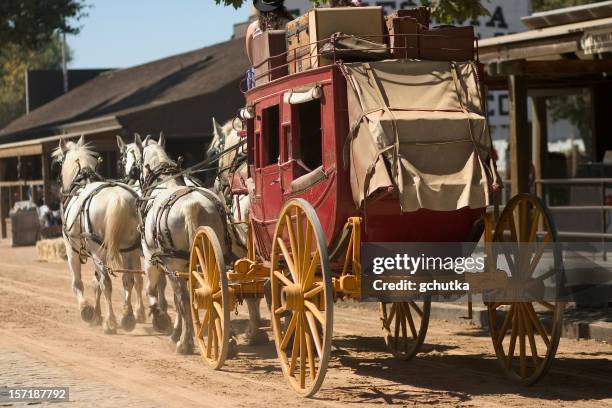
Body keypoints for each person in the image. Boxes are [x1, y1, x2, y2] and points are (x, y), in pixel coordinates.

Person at [245, 0, 293, 88]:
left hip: (261, 77)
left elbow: (252, 59)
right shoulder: (290, 23)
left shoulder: (253, 28)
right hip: (286, 72)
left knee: (251, 71)